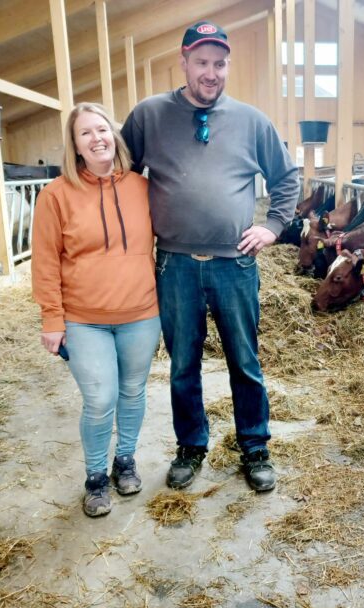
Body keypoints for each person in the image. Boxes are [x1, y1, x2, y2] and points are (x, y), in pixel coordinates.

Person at [121, 20, 299, 493]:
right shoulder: (149, 115)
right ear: (183, 63)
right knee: (183, 363)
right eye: (201, 62)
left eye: (219, 63)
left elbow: (286, 177)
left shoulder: (252, 120)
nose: (211, 72)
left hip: (234, 264)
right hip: (174, 263)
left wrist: (273, 225)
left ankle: (255, 447)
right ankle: (191, 447)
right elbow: (121, 175)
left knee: (245, 359)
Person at [32, 102, 161, 517]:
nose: (97, 138)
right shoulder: (55, 195)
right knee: (100, 398)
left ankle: (125, 461)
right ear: (75, 146)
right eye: (85, 133)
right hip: (84, 319)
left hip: (141, 313)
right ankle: (94, 478)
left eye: (102, 129)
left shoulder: (142, 188)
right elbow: (45, 261)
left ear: (115, 135)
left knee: (132, 391)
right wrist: (52, 318)